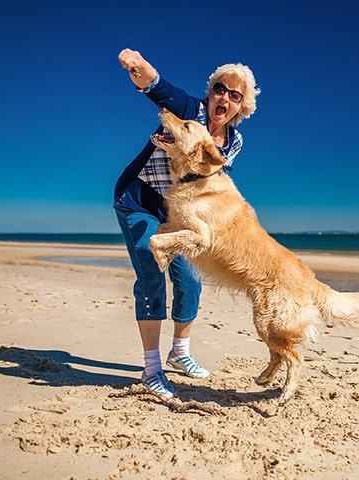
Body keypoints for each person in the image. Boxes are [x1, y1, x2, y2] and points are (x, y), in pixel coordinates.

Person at [114, 48, 260, 399]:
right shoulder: (187, 110)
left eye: (234, 95)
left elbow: (209, 186)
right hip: (140, 201)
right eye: (220, 89)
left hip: (179, 214)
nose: (224, 97)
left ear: (242, 108)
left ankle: (180, 353)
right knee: (151, 271)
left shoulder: (234, 142)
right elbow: (159, 88)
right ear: (210, 92)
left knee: (191, 282)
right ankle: (152, 370)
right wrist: (139, 66)